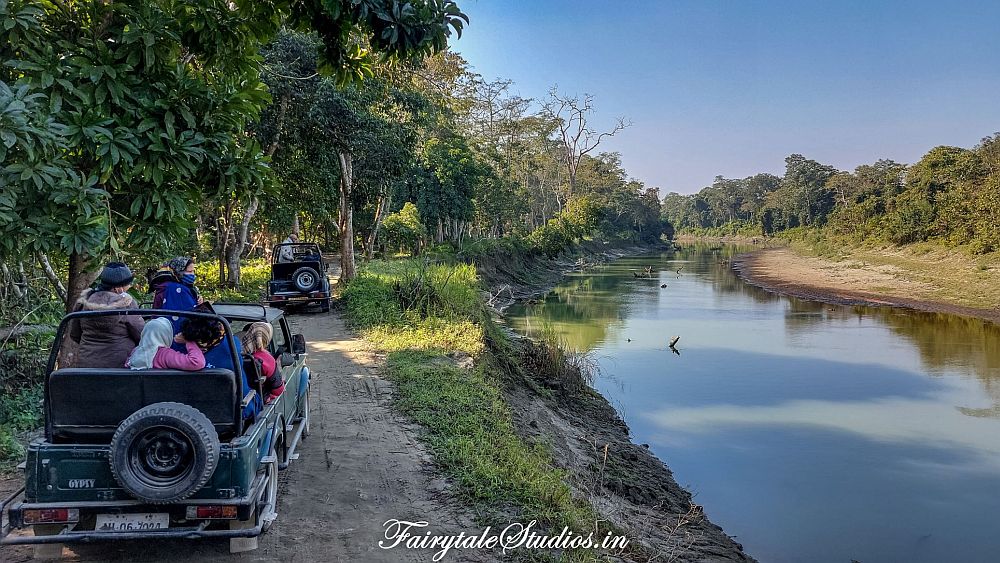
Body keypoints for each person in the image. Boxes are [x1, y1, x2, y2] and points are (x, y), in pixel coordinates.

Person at [69, 262, 144, 369]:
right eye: (128, 284)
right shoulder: (127, 304)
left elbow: (75, 334)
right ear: (118, 288)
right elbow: (141, 334)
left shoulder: (84, 301)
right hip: (120, 366)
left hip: (86, 366)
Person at [126, 317, 205, 371]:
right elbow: (197, 362)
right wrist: (188, 340)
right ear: (166, 335)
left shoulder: (136, 351)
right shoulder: (164, 355)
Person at [240, 322, 284, 404]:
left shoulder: (236, 353)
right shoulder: (267, 359)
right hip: (257, 400)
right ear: (267, 338)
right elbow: (278, 390)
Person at [160, 256, 203, 331]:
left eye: (193, 271)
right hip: (181, 333)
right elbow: (191, 312)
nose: (192, 274)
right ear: (179, 272)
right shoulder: (177, 289)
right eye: (189, 272)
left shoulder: (186, 287)